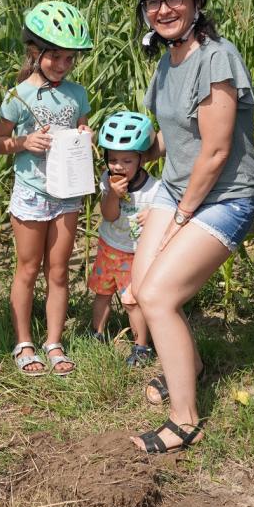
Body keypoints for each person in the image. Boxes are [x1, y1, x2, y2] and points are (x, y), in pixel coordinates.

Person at [127, 0, 254, 454]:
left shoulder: (215, 57)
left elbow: (216, 149)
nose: (163, 10)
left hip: (223, 196)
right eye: (154, 2)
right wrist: (129, 157)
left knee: (160, 297)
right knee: (142, 288)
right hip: (178, 189)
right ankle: (193, 365)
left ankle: (185, 420)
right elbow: (167, 138)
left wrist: (181, 219)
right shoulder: (168, 60)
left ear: (196, 2)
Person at [0, 1, 94, 376]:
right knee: (28, 268)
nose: (64, 66)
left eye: (70, 59)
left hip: (67, 194)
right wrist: (23, 143)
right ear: (35, 51)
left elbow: (81, 128)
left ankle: (54, 342)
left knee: (59, 270)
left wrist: (87, 134)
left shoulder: (77, 94)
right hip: (33, 192)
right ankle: (24, 342)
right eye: (56, 58)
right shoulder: (17, 97)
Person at [88, 111, 160, 365]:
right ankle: (96, 333)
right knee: (102, 292)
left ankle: (141, 346)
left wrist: (154, 214)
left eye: (127, 160)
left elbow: (165, 216)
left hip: (135, 253)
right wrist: (112, 195)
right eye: (113, 159)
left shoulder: (154, 189)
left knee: (131, 301)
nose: (118, 166)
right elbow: (108, 216)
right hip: (109, 247)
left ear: (142, 159)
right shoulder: (108, 180)